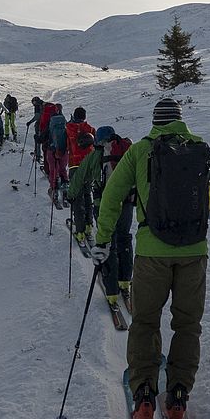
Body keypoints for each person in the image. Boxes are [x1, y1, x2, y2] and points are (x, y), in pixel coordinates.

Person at [92, 98, 210, 419]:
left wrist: (102, 241)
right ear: (180, 121)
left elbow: (112, 197)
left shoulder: (141, 151)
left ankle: (144, 396)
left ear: (155, 122)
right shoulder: (201, 149)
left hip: (152, 253)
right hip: (194, 253)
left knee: (144, 322)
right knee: (187, 325)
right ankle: (178, 399)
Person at [67, 125, 134, 311]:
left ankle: (112, 292)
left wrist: (71, 195)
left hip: (103, 206)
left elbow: (79, 178)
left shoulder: (95, 156)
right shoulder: (126, 152)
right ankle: (125, 282)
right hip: (127, 205)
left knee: (107, 244)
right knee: (124, 239)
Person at [45, 104, 69, 206]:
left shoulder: (50, 123)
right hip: (64, 152)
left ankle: (54, 191)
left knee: (53, 171)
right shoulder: (64, 122)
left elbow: (43, 136)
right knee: (63, 170)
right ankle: (65, 192)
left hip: (52, 151)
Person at [25, 96, 45, 162]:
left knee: (38, 139)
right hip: (46, 125)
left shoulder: (37, 106)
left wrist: (30, 122)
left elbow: (37, 116)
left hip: (39, 125)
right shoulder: (44, 104)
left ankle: (38, 155)